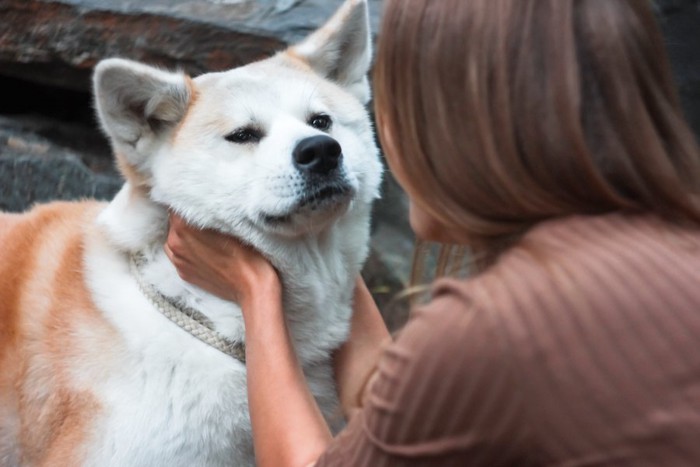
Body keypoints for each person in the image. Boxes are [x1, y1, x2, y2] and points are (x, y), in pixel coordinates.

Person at [164, 0, 700, 465]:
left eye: (393, 109)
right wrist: (317, 237)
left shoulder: (491, 327)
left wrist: (255, 291)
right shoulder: (671, 245)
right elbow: (387, 403)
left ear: (451, 129)